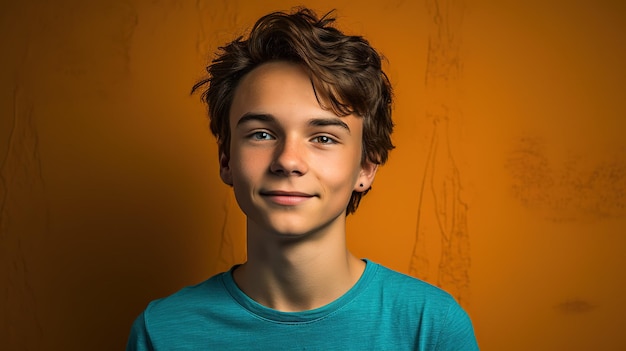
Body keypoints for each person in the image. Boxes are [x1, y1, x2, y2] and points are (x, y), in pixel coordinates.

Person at [127, 7, 478, 350]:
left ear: (366, 168)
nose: (288, 161)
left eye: (323, 138)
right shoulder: (162, 332)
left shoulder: (432, 328)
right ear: (226, 159)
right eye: (262, 134)